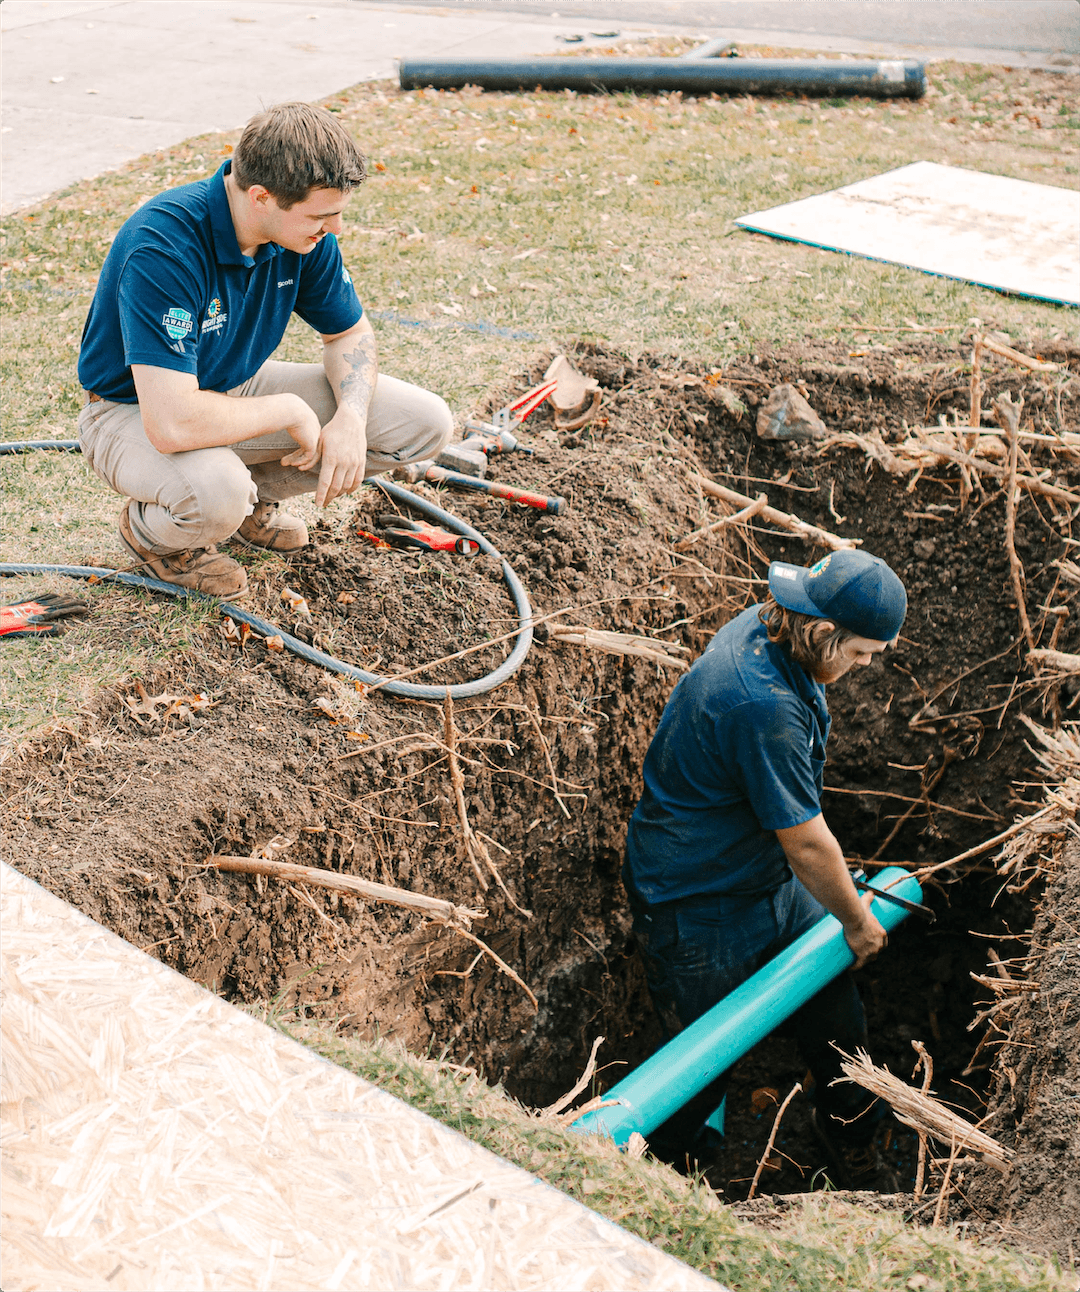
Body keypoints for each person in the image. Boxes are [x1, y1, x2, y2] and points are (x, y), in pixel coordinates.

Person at [76, 102, 453, 600]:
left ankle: (255, 503)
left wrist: (352, 419)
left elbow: (349, 334)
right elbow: (172, 424)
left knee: (423, 420)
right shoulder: (164, 247)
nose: (334, 229)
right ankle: (157, 538)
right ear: (261, 197)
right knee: (217, 493)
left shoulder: (305, 237)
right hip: (133, 410)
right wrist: (291, 410)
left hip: (232, 387)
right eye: (322, 216)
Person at [623, 548, 908, 1185]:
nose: (864, 667)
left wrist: (841, 907)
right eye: (860, 652)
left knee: (837, 1016)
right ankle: (661, 1182)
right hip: (695, 901)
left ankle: (849, 1135)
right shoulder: (762, 703)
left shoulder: (776, 633)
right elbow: (807, 845)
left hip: (761, 879)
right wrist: (858, 921)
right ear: (824, 631)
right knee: (696, 1072)